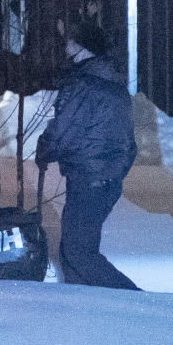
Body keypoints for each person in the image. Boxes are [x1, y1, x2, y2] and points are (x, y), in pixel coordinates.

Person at [35, 18, 140, 290]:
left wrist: (44, 149)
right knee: (73, 252)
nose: (66, 46)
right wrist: (114, 172)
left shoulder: (82, 84)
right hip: (105, 181)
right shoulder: (113, 83)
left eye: (71, 41)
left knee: (79, 254)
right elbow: (129, 141)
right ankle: (83, 307)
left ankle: (140, 301)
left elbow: (62, 130)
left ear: (82, 47)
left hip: (88, 180)